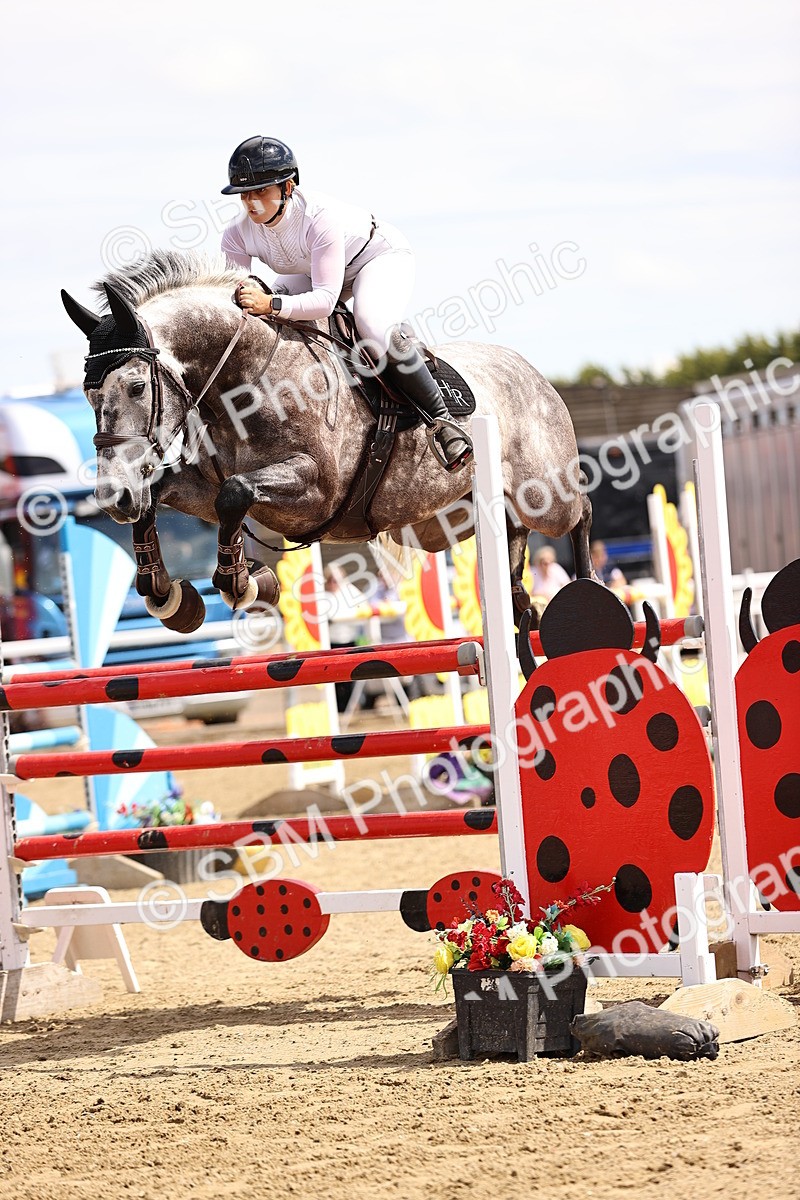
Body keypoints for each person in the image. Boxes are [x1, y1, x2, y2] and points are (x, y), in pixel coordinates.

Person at [219, 135, 473, 473]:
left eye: (261, 192)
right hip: (316, 270)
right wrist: (254, 299)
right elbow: (239, 296)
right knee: (265, 312)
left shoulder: (318, 217)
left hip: (375, 258)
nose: (251, 204)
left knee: (372, 324)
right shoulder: (236, 233)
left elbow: (325, 301)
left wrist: (271, 303)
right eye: (245, 195)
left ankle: (442, 423)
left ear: (288, 187)